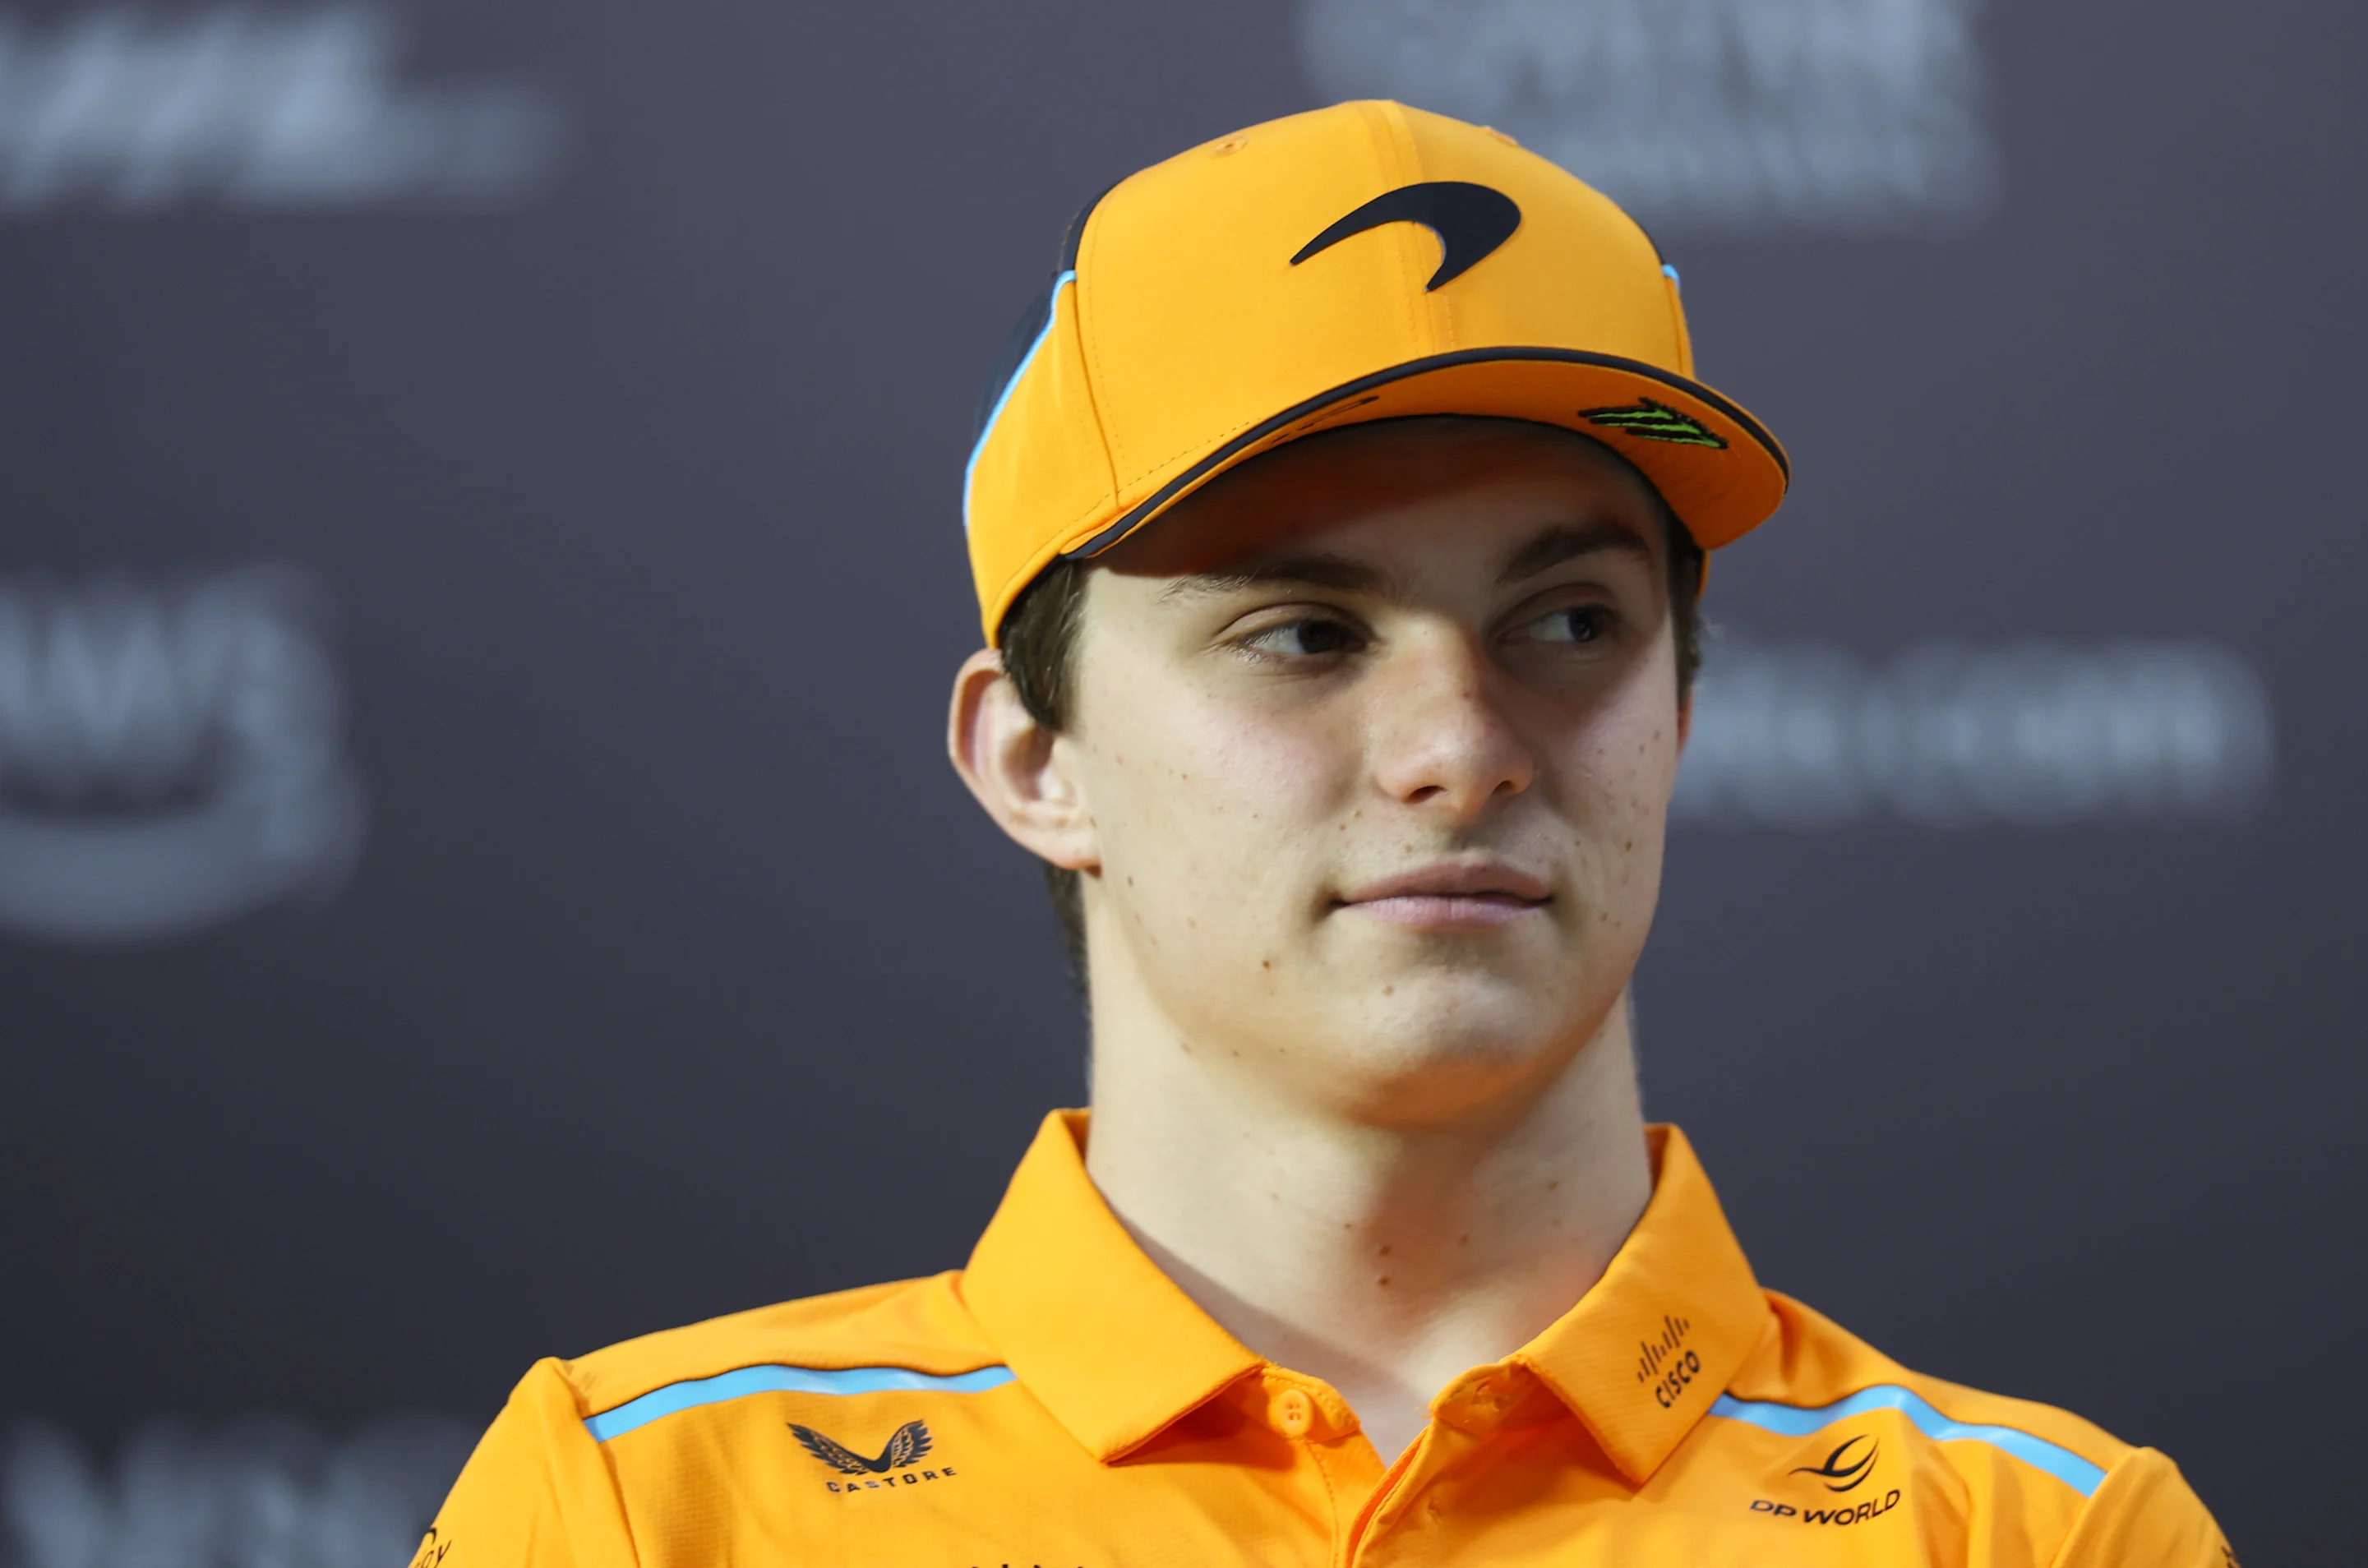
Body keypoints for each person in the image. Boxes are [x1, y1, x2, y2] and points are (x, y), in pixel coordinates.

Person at [419, 99, 2235, 1568]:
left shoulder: (2027, 1536)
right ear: (1032, 757)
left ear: (1675, 716)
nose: (1461, 746)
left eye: (1569, 624)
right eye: (1304, 634)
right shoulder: (643, 1514)